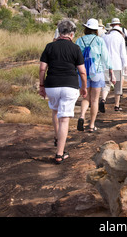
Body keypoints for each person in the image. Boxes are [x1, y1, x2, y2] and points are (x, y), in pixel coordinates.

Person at [39, 19, 88, 164]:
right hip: (69, 86)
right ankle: (60, 153)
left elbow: (42, 69)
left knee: (55, 111)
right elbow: (82, 72)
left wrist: (42, 85)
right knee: (64, 119)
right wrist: (84, 87)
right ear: (72, 34)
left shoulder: (49, 47)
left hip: (52, 85)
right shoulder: (75, 48)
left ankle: (56, 137)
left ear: (59, 32)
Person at [76, 18, 115, 132]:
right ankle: (91, 125)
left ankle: (82, 116)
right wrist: (111, 72)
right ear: (96, 30)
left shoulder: (79, 41)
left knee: (85, 97)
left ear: (86, 29)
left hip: (83, 73)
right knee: (94, 100)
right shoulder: (99, 40)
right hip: (97, 72)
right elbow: (106, 58)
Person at [100, 25, 127, 112]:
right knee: (118, 86)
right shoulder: (120, 38)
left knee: (106, 85)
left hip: (106, 64)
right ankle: (116, 105)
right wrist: (125, 65)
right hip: (117, 64)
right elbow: (123, 53)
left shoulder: (105, 37)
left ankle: (103, 99)